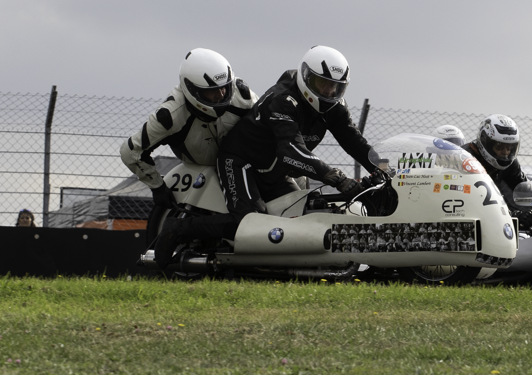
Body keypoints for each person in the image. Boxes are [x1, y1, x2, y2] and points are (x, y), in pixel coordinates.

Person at [154, 45, 383, 264]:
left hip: (275, 172)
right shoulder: (283, 99)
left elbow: (355, 142)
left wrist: (383, 168)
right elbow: (290, 150)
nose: (329, 92)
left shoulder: (336, 106)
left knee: (298, 217)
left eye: (336, 87)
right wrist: (337, 178)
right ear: (306, 77)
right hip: (241, 161)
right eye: (322, 83)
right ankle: (179, 229)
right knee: (248, 222)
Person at [120, 48, 257, 212]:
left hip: (244, 164)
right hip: (199, 171)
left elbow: (268, 123)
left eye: (224, 87)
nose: (221, 95)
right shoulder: (170, 115)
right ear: (193, 90)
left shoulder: (242, 96)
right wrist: (157, 186)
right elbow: (130, 151)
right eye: (212, 91)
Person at [462, 114, 532, 232]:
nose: (505, 152)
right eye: (500, 146)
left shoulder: (510, 163)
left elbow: (525, 189)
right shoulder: (465, 159)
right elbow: (473, 199)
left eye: (510, 147)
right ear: (485, 142)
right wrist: (511, 214)